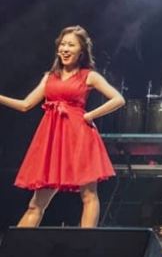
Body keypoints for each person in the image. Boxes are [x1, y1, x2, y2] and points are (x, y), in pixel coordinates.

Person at [0, 25, 125, 228]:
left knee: (89, 196)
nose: (65, 49)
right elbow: (25, 105)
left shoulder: (89, 75)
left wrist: (90, 115)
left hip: (80, 137)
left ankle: (86, 243)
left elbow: (118, 99)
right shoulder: (50, 77)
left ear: (81, 51)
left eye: (71, 45)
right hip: (52, 140)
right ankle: (15, 246)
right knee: (35, 204)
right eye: (63, 44)